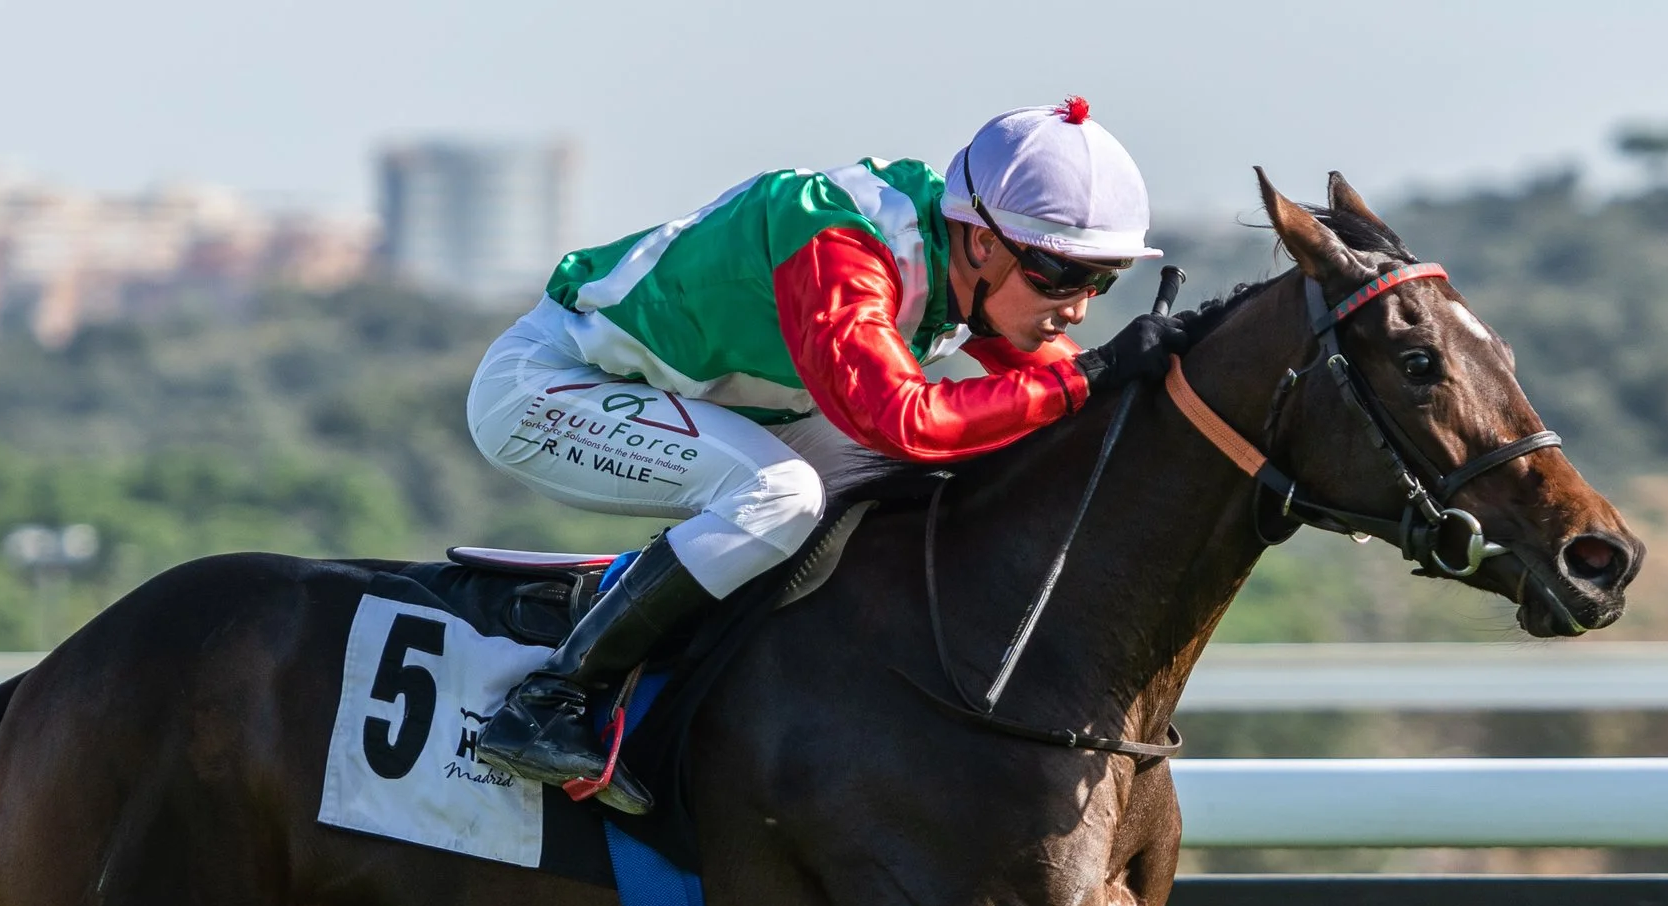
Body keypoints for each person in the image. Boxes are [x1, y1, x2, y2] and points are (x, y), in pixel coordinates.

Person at [467, 97, 1193, 812]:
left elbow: (1045, 390)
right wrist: (1088, 377)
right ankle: (545, 700)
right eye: (1062, 276)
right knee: (782, 494)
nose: (1078, 306)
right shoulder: (839, 245)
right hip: (550, 386)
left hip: (724, 406)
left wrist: (1143, 391)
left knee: (927, 491)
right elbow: (902, 417)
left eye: (1103, 279)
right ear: (983, 242)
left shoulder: (963, 260)